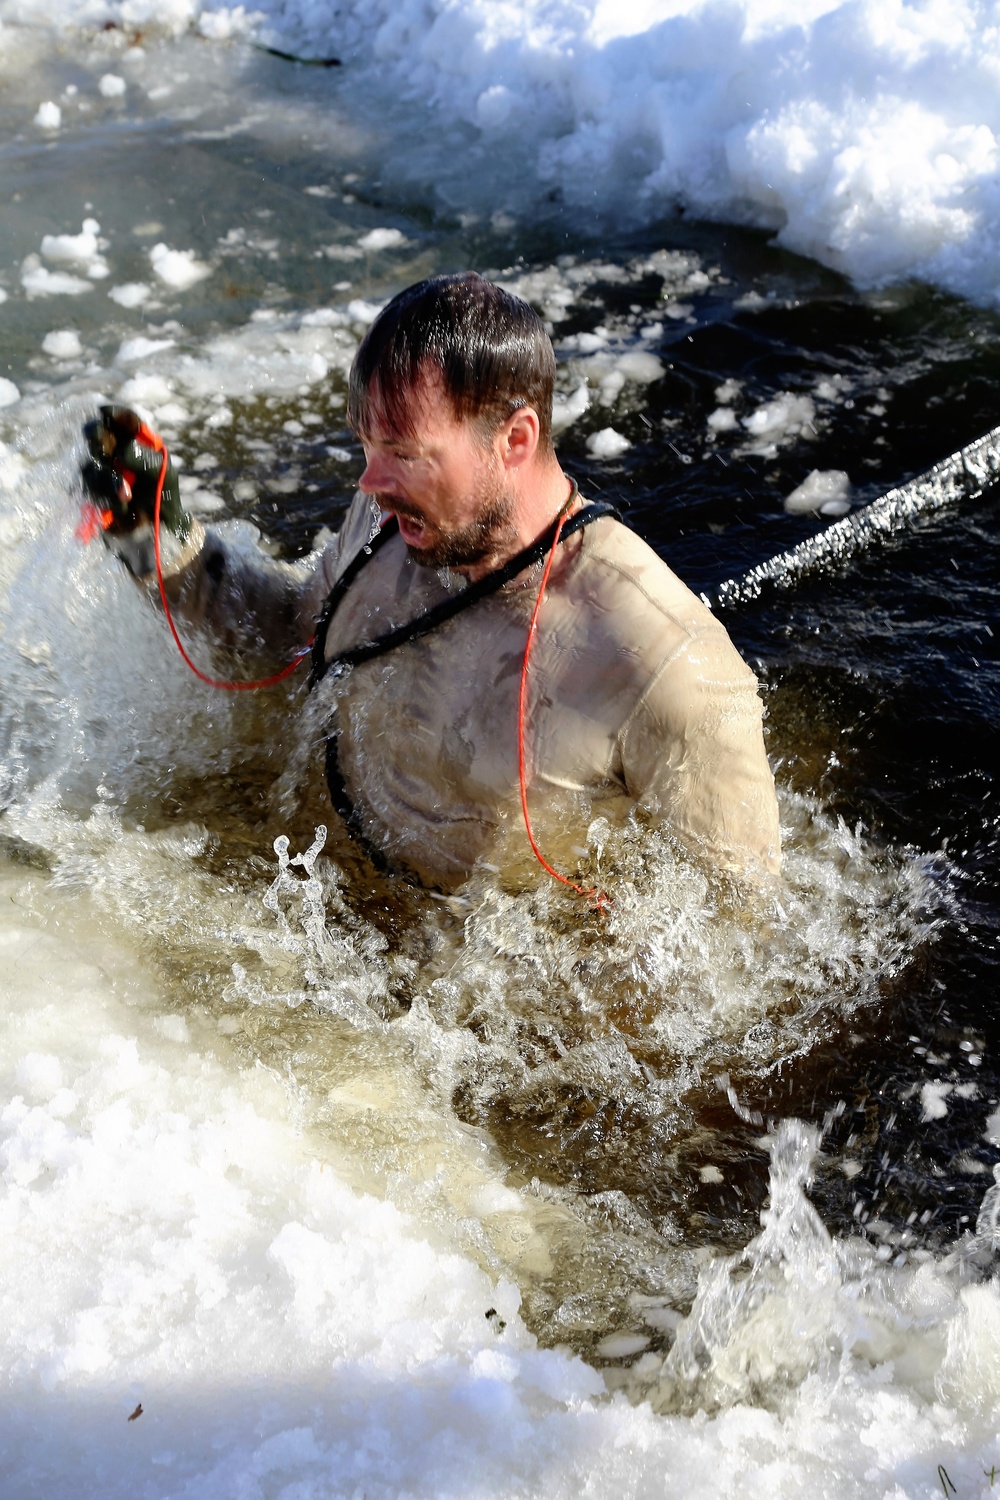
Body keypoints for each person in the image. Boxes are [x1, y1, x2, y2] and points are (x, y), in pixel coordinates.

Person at [83, 273, 781, 892]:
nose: (369, 481)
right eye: (367, 444)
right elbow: (286, 645)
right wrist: (158, 540)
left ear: (515, 439)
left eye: (405, 455)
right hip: (307, 898)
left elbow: (743, 939)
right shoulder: (394, 521)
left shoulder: (663, 663)